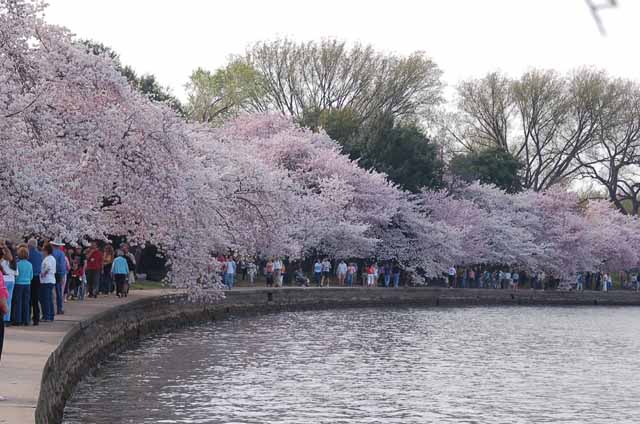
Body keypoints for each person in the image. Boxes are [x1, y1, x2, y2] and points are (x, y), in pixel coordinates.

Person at [13, 246, 33, 326]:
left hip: (18, 284)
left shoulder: (17, 264)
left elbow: (16, 275)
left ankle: (18, 320)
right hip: (27, 284)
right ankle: (26, 320)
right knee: (26, 302)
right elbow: (31, 276)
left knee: (18, 302)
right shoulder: (30, 264)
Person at [27, 239, 43, 326]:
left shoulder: (28, 254)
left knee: (28, 299)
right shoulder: (40, 255)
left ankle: (27, 316)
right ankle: (36, 318)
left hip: (29, 277)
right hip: (37, 277)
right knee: (35, 299)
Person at [50, 240, 67, 314]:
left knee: (51, 292)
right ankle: (59, 309)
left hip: (51, 273)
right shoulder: (61, 253)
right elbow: (62, 265)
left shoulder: (50, 252)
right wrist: (63, 273)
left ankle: (51, 309)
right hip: (59, 273)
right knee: (59, 292)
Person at [0, 243, 16, 324]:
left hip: (4, 280)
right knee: (8, 300)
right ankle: (7, 319)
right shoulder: (13, 262)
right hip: (12, 280)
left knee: (3, 299)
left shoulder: (3, 261)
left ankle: (4, 317)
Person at [40, 244, 56, 322]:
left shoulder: (47, 259)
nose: (42, 251)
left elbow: (48, 267)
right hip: (51, 280)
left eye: (43, 250)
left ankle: (47, 316)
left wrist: (43, 274)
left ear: (46, 251)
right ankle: (50, 315)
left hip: (46, 280)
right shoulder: (52, 258)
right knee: (49, 298)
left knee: (45, 299)